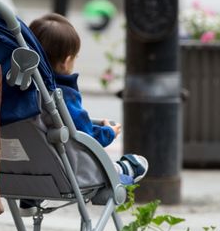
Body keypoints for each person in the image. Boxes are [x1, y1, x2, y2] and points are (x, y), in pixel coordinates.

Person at [20, 13, 148, 212]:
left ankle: (28, 200)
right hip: (67, 174)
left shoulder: (18, 92)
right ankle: (123, 169)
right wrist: (109, 132)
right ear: (67, 61)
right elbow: (85, 135)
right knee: (129, 164)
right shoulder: (61, 95)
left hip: (23, 174)